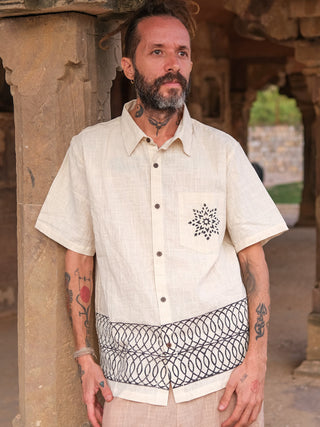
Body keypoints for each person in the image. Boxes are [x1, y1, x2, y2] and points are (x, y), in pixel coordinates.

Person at [35, 1, 288, 426]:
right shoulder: (89, 151)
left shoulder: (222, 152)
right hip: (129, 387)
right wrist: (84, 357)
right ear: (128, 67)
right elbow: (78, 258)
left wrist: (257, 364)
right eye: (158, 52)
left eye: (183, 53)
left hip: (223, 384)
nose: (174, 65)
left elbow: (253, 262)